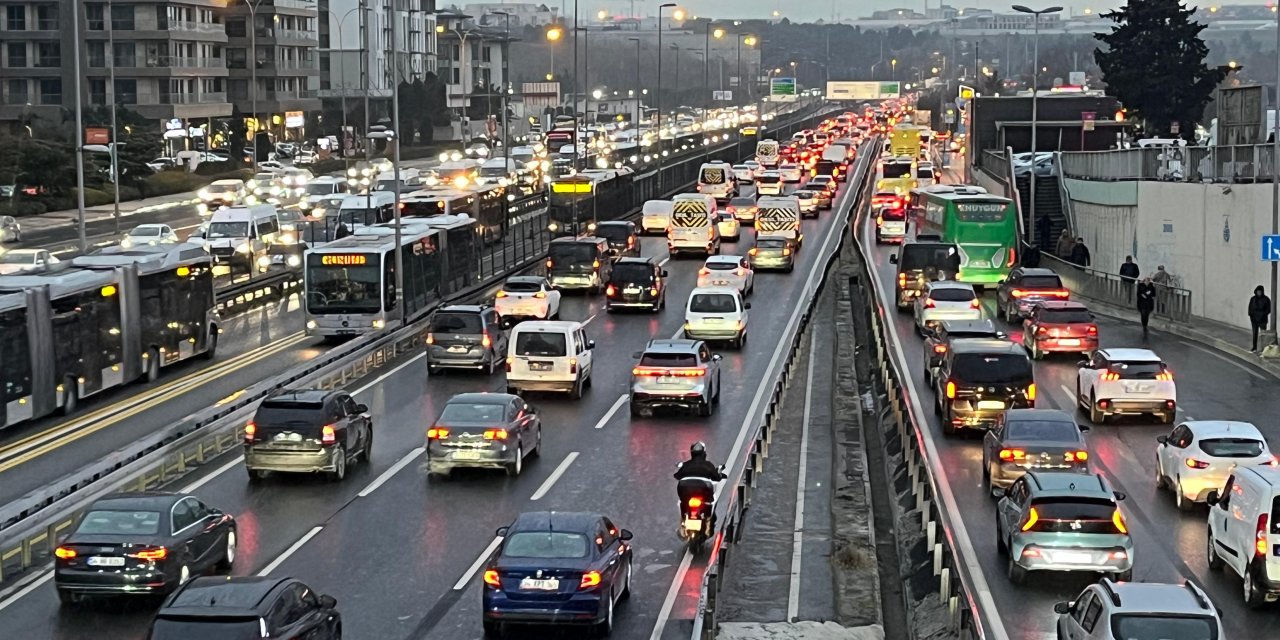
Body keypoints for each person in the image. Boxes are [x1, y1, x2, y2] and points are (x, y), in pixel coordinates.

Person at [1249, 285, 1272, 352]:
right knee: (1255, 334)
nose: (1259, 293)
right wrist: (1251, 316)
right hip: (1254, 320)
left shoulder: (1266, 299)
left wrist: (1263, 314)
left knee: (1263, 335)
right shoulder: (1253, 299)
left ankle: (1264, 349)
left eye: (1260, 291)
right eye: (1258, 291)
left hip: (1262, 319)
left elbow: (1268, 309)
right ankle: (1254, 347)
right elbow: (1250, 309)